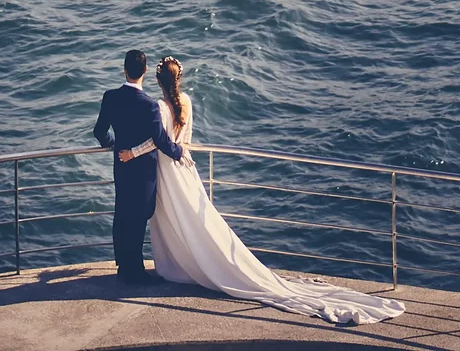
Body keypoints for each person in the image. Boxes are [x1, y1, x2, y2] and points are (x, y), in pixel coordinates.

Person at [145, 56, 406, 326]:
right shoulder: (186, 101)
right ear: (179, 79)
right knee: (197, 221)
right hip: (186, 168)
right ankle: (203, 261)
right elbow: (186, 142)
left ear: (157, 81)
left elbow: (158, 143)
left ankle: (179, 266)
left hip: (167, 172)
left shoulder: (158, 108)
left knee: (174, 219)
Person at [93, 50, 184, 282]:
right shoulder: (150, 105)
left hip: (122, 165)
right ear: (144, 71)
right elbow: (161, 141)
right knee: (139, 216)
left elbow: (99, 131)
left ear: (124, 69)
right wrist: (179, 152)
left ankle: (124, 265)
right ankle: (135, 271)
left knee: (123, 212)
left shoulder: (110, 97)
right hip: (143, 170)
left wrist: (112, 145)